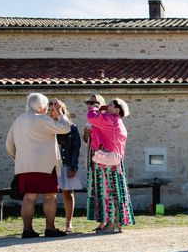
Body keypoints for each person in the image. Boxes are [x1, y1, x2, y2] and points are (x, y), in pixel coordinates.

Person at [6, 92, 72, 238]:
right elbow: (66, 128)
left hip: (25, 166)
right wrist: (60, 113)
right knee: (50, 197)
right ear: (42, 106)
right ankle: (50, 228)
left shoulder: (18, 120)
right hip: (46, 166)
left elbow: (9, 144)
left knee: (29, 198)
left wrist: (18, 159)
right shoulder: (43, 120)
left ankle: (27, 230)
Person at [86, 98, 135, 234]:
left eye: (111, 104)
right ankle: (118, 223)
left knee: (108, 192)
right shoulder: (118, 121)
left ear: (117, 109)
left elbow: (92, 117)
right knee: (117, 191)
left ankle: (111, 223)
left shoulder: (110, 119)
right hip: (115, 162)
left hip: (106, 164)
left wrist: (94, 108)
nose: (107, 105)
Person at [49, 99, 82, 232]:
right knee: (50, 195)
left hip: (66, 163)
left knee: (68, 193)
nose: (52, 112)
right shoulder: (46, 125)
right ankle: (50, 224)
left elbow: (76, 147)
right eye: (50, 109)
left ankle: (68, 223)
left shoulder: (71, 127)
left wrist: (73, 166)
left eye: (54, 109)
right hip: (50, 164)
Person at [83, 93, 107, 232]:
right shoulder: (88, 121)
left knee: (104, 190)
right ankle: (100, 220)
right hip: (93, 159)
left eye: (94, 102)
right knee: (96, 191)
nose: (90, 105)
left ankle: (106, 220)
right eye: (89, 102)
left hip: (103, 159)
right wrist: (86, 134)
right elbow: (86, 140)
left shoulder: (104, 118)